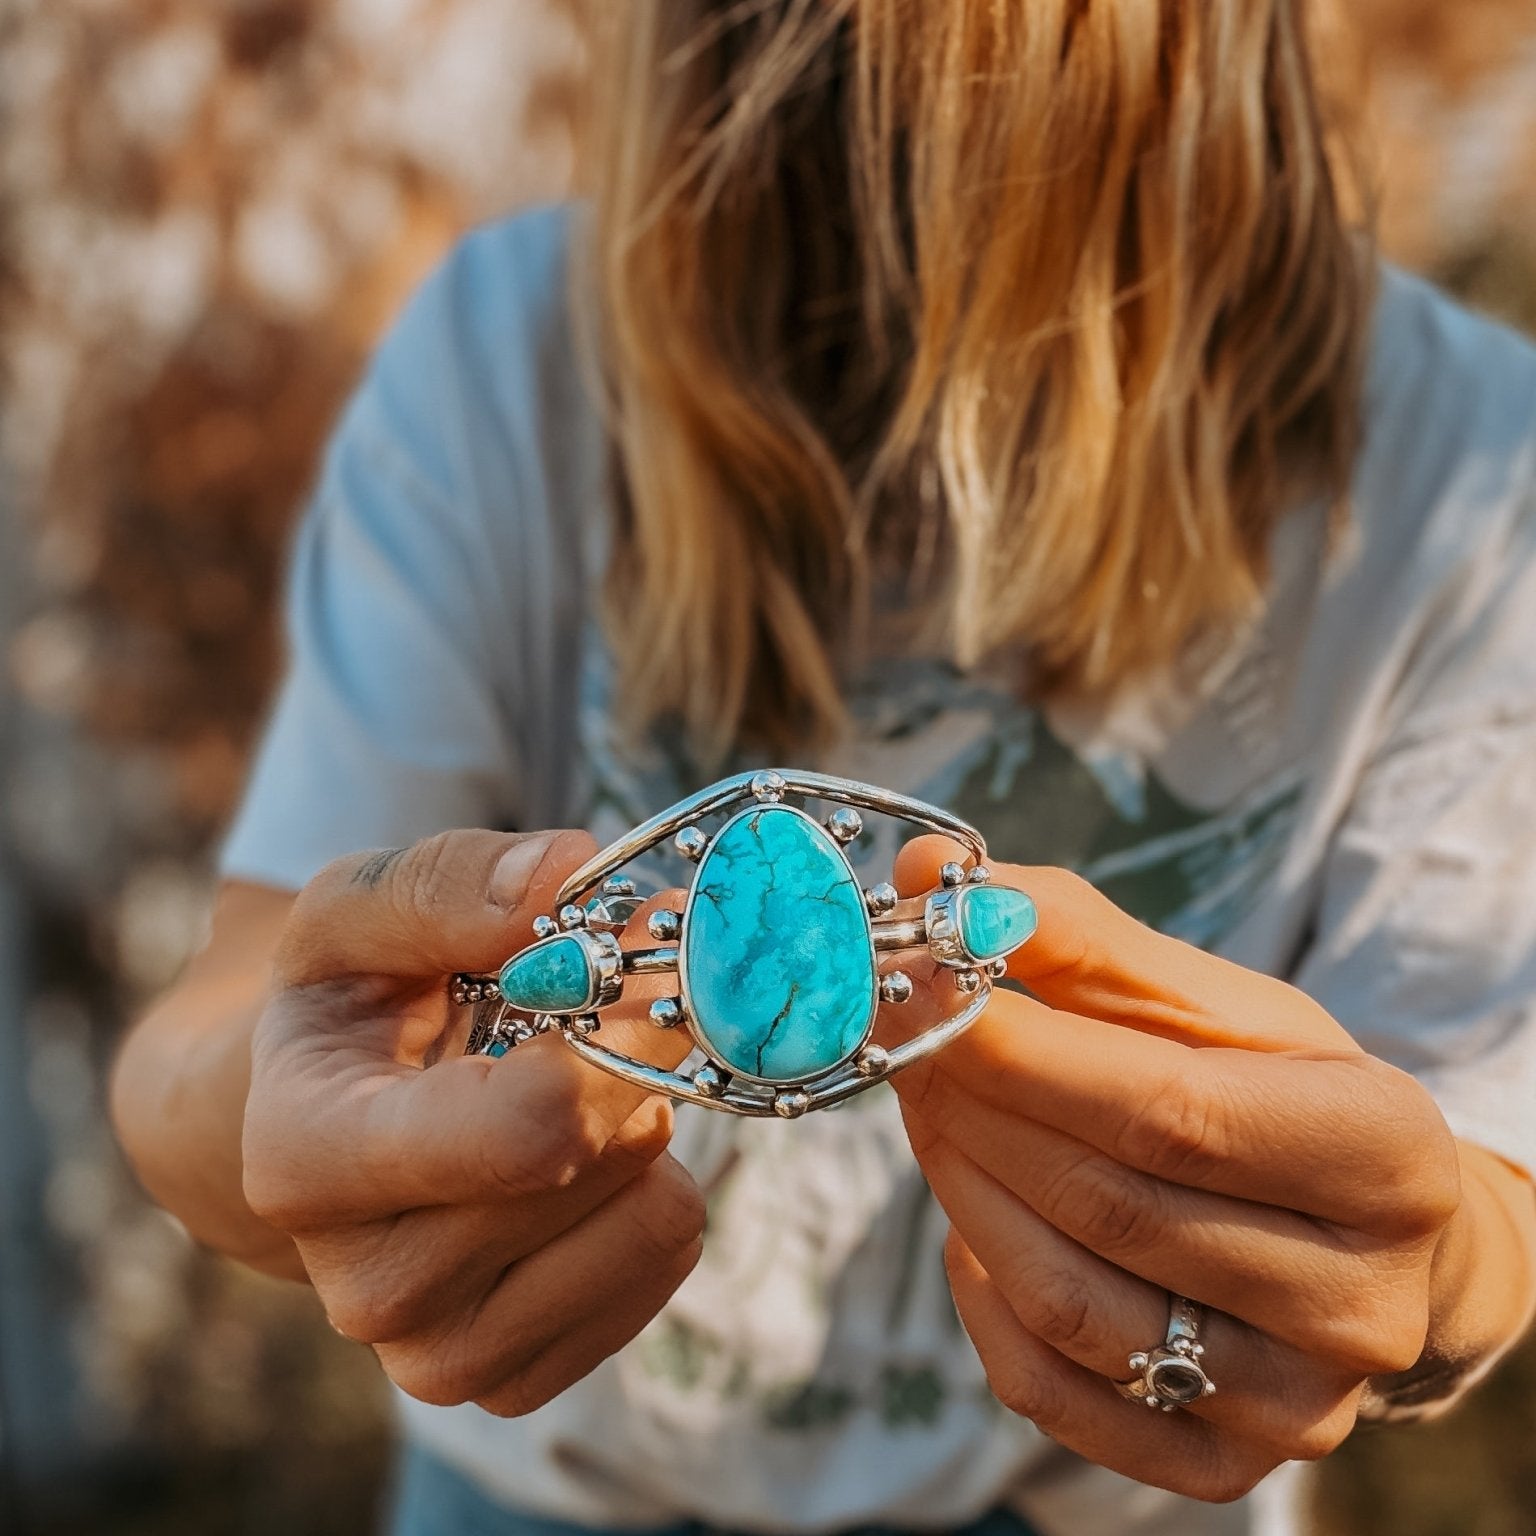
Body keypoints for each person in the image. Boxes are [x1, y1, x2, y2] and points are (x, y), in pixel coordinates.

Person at [110, 4, 1536, 1535]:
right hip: (550, 1489)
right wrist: (282, 1121)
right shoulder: (506, 357)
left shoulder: (1470, 472)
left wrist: (1416, 1263)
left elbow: (1481, 1178)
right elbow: (238, 1008)